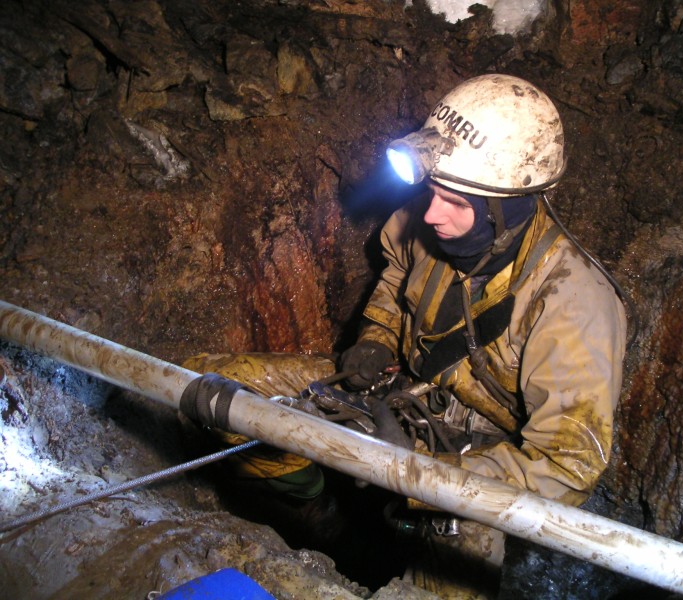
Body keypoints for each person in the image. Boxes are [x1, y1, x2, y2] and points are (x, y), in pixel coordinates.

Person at [183, 73, 626, 597]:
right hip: (399, 388)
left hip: (476, 454)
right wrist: (376, 336)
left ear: (507, 209)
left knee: (449, 584)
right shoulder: (429, 215)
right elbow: (397, 272)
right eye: (431, 191)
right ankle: (314, 512)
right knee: (210, 386)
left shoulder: (575, 304)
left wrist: (421, 475)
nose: (431, 213)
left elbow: (567, 465)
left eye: (455, 203)